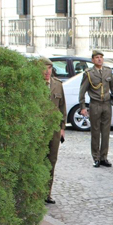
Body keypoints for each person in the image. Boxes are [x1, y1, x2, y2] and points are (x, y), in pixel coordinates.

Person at [78, 50, 113, 168]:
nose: (99, 59)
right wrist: (83, 107)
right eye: (96, 57)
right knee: (95, 132)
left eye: (101, 57)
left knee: (106, 133)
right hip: (95, 104)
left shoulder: (108, 71)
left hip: (106, 104)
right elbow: (82, 91)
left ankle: (103, 157)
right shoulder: (89, 73)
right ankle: (96, 157)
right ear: (92, 60)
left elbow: (112, 86)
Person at [41, 57, 67, 204]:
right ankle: (36, 193)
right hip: (39, 129)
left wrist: (62, 128)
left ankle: (47, 193)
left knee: (51, 160)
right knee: (39, 160)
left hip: (54, 130)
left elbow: (62, 107)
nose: (47, 71)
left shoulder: (57, 85)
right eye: (44, 68)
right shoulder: (34, 84)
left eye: (49, 68)